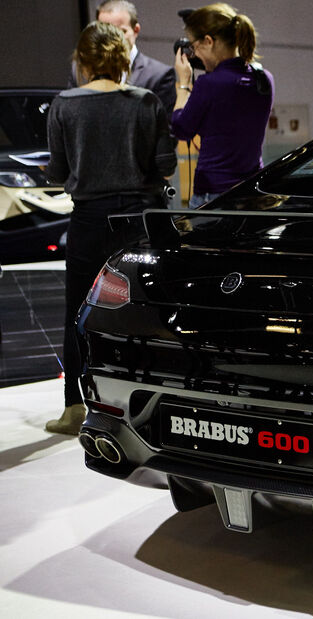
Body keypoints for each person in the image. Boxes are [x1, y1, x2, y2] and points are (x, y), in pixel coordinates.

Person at [45, 21, 176, 434]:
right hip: (140, 217)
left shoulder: (64, 104)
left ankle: (74, 408)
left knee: (79, 313)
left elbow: (59, 170)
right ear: (123, 60)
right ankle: (156, 403)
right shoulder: (146, 100)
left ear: (82, 61)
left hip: (89, 218)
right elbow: (166, 165)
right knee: (149, 312)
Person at [172, 4, 273, 207]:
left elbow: (181, 128)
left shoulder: (209, 84)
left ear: (208, 41)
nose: (194, 54)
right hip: (251, 192)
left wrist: (183, 84)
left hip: (213, 194)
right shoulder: (264, 78)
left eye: (194, 46)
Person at [67, 1, 175, 113]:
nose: (112, 39)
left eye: (120, 31)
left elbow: (165, 127)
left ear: (136, 30)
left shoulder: (159, 75)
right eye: (104, 32)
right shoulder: (78, 69)